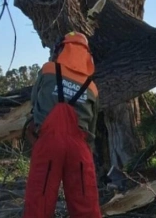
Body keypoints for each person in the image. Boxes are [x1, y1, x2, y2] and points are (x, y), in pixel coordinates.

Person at [23, 31, 101, 218]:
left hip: (48, 143)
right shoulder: (91, 87)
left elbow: (34, 102)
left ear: (61, 49)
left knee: (38, 203)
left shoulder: (48, 69)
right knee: (86, 205)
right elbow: (92, 127)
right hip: (79, 148)